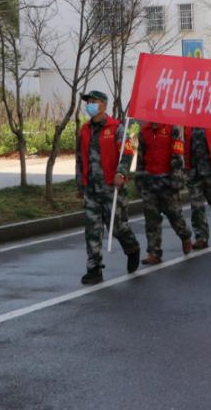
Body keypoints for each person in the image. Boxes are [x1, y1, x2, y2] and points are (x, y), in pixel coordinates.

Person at [76, 91, 141, 285]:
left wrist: (121, 173)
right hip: (91, 190)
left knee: (118, 227)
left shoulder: (117, 127)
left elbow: (128, 151)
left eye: (93, 102)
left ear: (103, 105)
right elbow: (80, 159)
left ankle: (132, 248)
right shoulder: (85, 130)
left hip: (112, 187)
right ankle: (94, 268)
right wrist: (80, 183)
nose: (90, 105)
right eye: (88, 102)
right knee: (92, 229)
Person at [137, 122, 194, 265]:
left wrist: (176, 181)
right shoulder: (144, 131)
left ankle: (185, 236)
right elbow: (140, 157)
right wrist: (139, 178)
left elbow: (178, 155)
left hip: (167, 181)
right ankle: (154, 252)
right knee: (151, 219)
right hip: (149, 180)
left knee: (175, 215)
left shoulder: (173, 129)